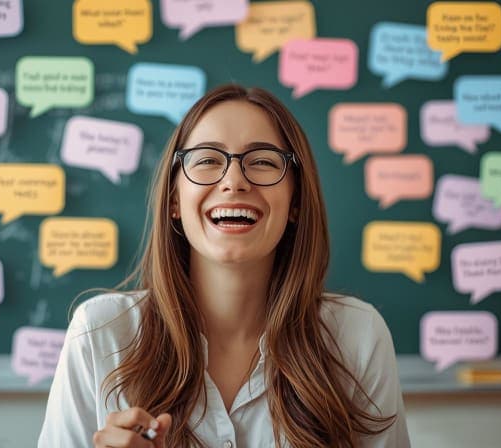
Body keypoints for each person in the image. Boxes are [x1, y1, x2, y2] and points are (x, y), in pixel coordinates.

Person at [38, 84, 410, 447]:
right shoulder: (99, 334)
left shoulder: (358, 336)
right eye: (207, 160)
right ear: (173, 199)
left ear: (295, 200)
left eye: (263, 161)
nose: (234, 181)